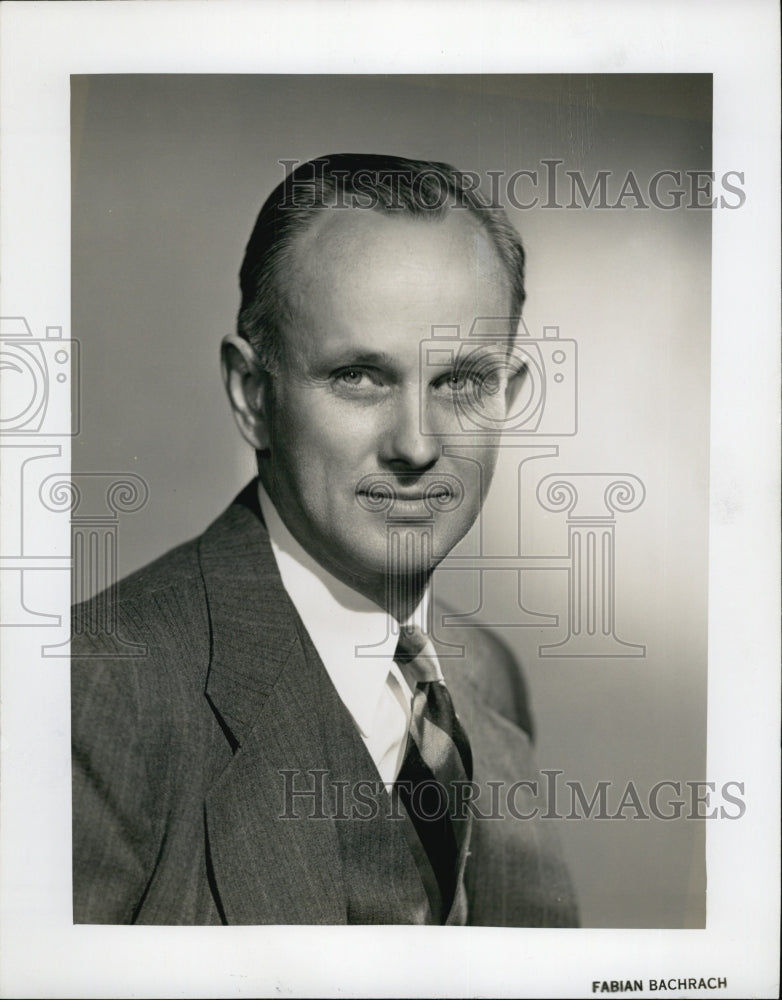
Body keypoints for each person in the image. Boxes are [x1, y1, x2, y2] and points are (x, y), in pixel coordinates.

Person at [71, 153, 579, 926]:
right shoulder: (94, 695)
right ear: (252, 396)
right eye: (360, 377)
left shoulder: (487, 682)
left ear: (509, 397)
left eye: (462, 383)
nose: (417, 445)